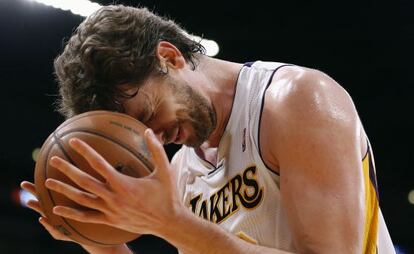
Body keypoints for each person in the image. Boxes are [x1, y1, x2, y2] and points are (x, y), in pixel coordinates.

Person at [21, 4, 395, 254]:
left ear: (170, 57)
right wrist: (102, 242)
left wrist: (172, 223)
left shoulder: (294, 101)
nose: (154, 137)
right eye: (138, 131)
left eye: (148, 113)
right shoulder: (182, 169)